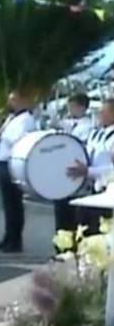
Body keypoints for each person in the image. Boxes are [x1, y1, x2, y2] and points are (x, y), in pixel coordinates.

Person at [0, 91, 36, 253]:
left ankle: (15, 241)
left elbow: (21, 140)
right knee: (7, 204)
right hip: (3, 162)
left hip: (13, 163)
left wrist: (1, 134)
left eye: (14, 100)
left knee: (14, 204)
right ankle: (8, 237)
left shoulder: (26, 119)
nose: (11, 103)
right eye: (10, 100)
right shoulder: (12, 118)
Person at [66, 98, 114, 233]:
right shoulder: (95, 133)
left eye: (104, 112)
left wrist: (88, 171)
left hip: (107, 192)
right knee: (83, 229)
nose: (99, 114)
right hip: (89, 190)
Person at [55, 93, 94, 232]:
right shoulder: (67, 123)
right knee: (60, 214)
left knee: (72, 217)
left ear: (82, 107)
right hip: (62, 172)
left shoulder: (88, 127)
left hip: (77, 173)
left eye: (73, 106)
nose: (71, 110)